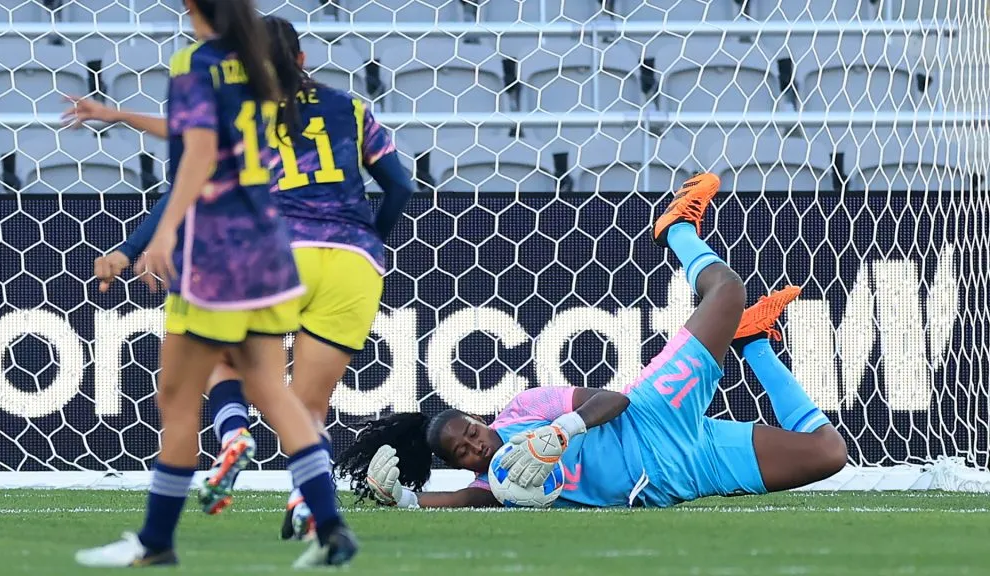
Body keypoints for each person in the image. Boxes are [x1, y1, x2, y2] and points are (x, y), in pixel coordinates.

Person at [66, 15, 414, 536]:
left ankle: (232, 432)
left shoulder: (241, 114)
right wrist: (368, 242)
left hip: (273, 251)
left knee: (219, 357)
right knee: (308, 403)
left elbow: (186, 183)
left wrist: (129, 248)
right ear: (302, 61)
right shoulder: (353, 107)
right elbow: (400, 187)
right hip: (353, 262)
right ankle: (304, 501)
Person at [336, 173, 848, 509]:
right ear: (460, 466)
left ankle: (675, 229)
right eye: (463, 451)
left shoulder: (523, 410)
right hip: (685, 472)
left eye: (469, 430)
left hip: (654, 413)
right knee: (829, 454)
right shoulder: (494, 489)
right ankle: (755, 341)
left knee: (728, 289)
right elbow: (431, 507)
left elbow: (616, 398)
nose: (475, 443)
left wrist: (562, 430)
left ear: (478, 419)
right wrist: (397, 499)